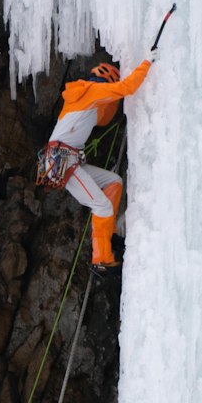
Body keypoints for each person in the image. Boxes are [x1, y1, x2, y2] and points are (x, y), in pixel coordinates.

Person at [37, 55, 154, 274]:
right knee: (101, 205)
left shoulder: (79, 95)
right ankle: (101, 259)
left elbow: (101, 119)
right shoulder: (92, 91)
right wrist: (147, 62)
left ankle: (106, 240)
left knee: (114, 182)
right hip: (63, 162)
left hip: (62, 160)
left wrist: (119, 113)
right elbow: (126, 88)